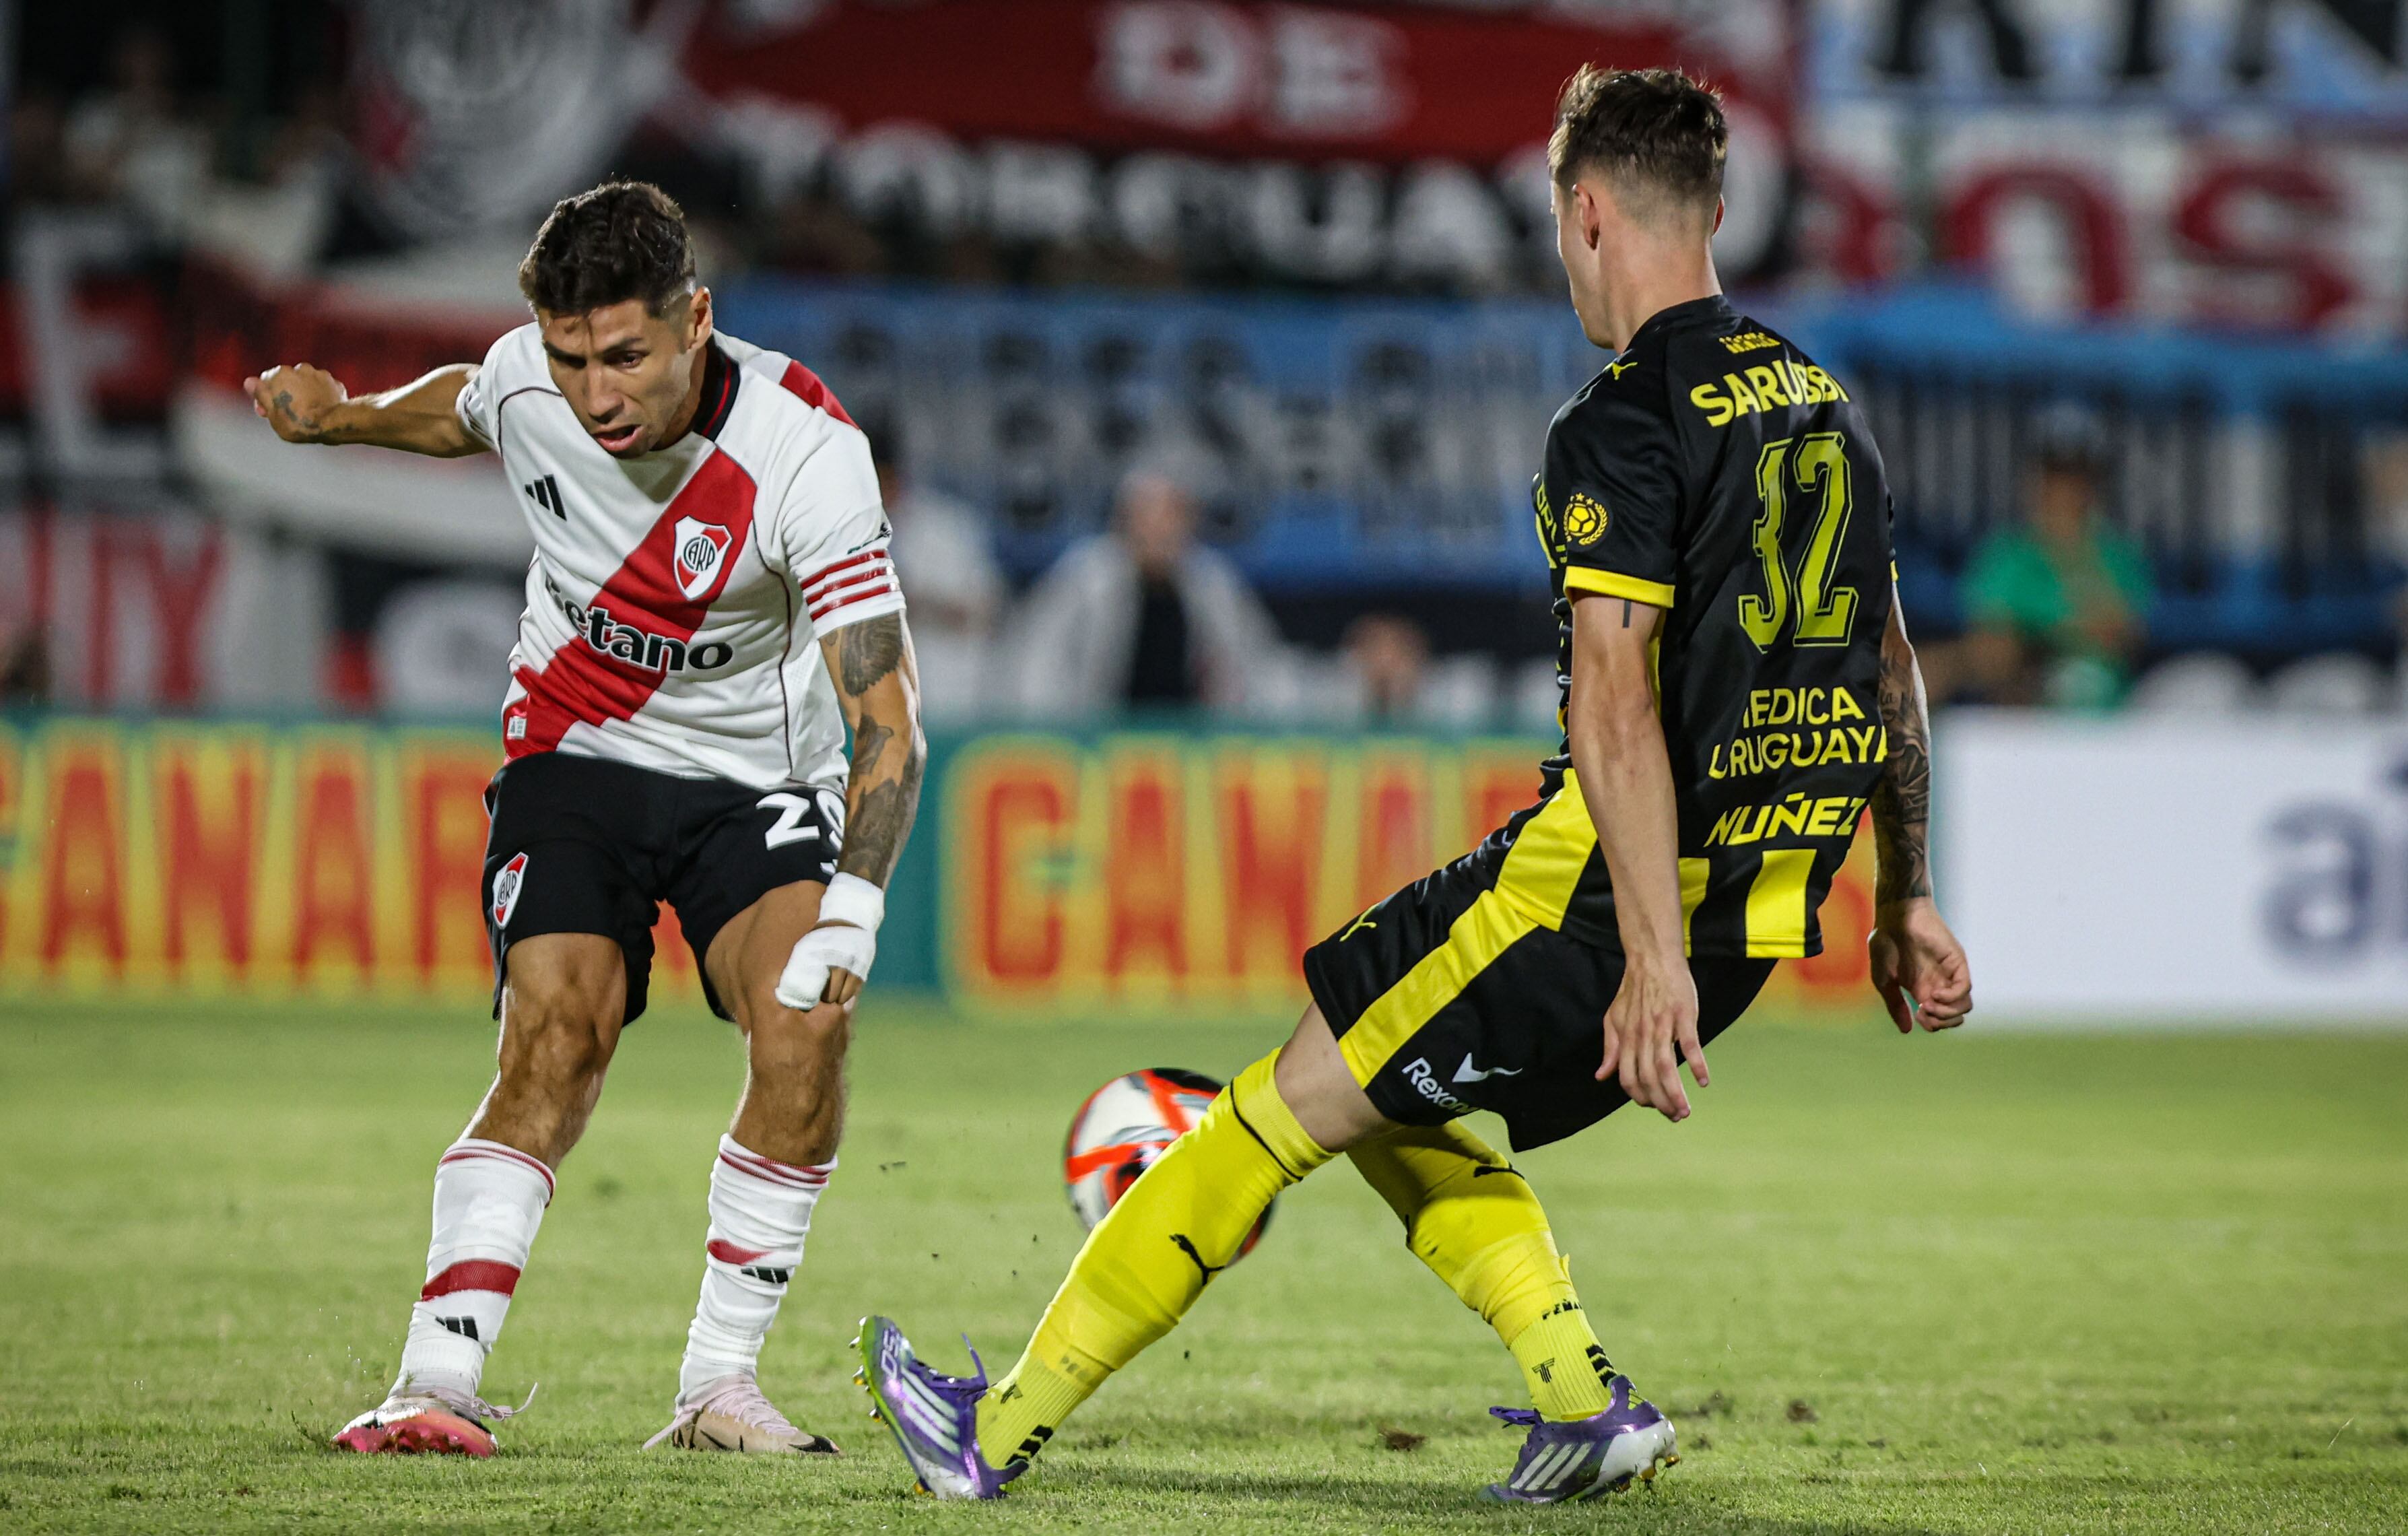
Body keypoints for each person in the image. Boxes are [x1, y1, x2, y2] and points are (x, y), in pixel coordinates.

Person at [855, 66, 1972, 1505]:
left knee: (1276, 1105)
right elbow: (1890, 668)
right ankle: (1584, 1401)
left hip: (1601, 905)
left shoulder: (1622, 423)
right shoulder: (1830, 411)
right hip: (1750, 922)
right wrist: (1910, 895)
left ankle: (990, 1436)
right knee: (1377, 1071)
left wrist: (1640, 958)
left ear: (1584, 213)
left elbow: (1619, 705)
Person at [244, 182, 927, 1459]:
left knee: (806, 1025)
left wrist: (856, 905)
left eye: (625, 357)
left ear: (697, 323)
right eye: (571, 360)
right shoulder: (530, 383)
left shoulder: (804, 451)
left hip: (757, 779)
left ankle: (718, 1389)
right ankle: (432, 1386)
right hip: (575, 750)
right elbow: (464, 404)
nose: (596, 396)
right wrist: (340, 420)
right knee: (557, 1030)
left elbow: (888, 725)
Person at [1006, 462, 1281, 717]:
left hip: (1189, 742)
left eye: (1172, 517)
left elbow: (1252, 662)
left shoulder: (1210, 582)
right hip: (1098, 738)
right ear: (1124, 521)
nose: (1160, 530)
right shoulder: (1087, 578)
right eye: (1148, 517)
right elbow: (1038, 659)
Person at [1948, 403, 2152, 708]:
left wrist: (2039, 630)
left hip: (2112, 722)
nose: (2065, 490)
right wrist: (2068, 632)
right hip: (2031, 721)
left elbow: (2119, 633)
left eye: (2077, 477)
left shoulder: (2114, 555)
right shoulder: (2007, 557)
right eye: (2054, 476)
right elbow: (1993, 652)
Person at [871, 420, 1005, 725]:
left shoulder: (948, 528)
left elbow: (986, 613)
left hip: (946, 698)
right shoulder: (837, 531)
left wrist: (913, 600)